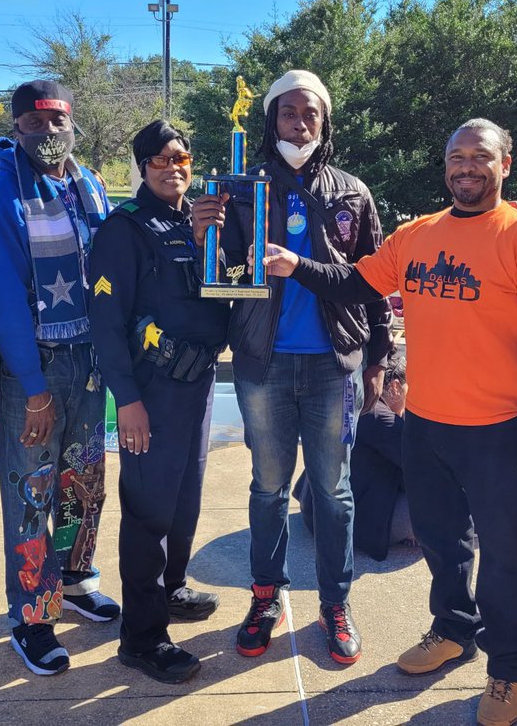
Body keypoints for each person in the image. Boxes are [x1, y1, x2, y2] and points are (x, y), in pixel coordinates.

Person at [260, 119, 517, 726]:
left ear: (504, 164)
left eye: (479, 157)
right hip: (427, 424)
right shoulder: (416, 235)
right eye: (456, 156)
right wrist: (293, 264)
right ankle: (453, 630)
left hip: (502, 428)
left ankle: (508, 668)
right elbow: (355, 282)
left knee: (506, 554)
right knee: (441, 540)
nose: (466, 167)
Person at [192, 69, 393, 665]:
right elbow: (224, 270)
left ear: (325, 121)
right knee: (268, 488)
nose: (299, 123)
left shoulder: (354, 192)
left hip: (335, 365)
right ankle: (265, 597)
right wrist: (206, 229)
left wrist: (382, 358)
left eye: (310, 113)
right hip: (263, 364)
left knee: (334, 491)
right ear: (271, 120)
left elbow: (373, 284)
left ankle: (335, 602)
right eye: (287, 113)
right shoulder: (241, 189)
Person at [0, 79, 118, 677]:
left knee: (82, 481)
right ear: (17, 127)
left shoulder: (87, 185)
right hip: (35, 368)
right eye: (36, 123)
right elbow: (2, 300)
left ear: (72, 123)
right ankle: (31, 614)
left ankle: (77, 578)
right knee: (32, 492)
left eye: (59, 121)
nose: (49, 132)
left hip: (87, 361)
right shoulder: (1, 198)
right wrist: (31, 385)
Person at [88, 120, 228, 683]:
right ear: (142, 166)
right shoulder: (124, 229)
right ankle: (142, 637)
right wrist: (127, 401)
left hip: (195, 389)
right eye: (162, 160)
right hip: (150, 391)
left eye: (184, 159)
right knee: (147, 512)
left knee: (184, 502)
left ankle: (172, 588)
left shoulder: (198, 222)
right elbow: (106, 320)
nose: (175, 168)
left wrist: (204, 245)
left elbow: (219, 300)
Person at [294, 346, 416, 560]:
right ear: (396, 387)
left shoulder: (354, 401)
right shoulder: (382, 419)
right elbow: (420, 469)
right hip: (347, 523)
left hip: (313, 510)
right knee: (448, 503)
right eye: (409, 388)